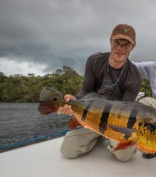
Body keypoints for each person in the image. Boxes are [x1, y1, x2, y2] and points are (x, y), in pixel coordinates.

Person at [58, 24, 141, 162]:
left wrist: (115, 131)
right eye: (117, 43)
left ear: (132, 47)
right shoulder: (94, 61)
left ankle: (108, 139)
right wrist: (75, 99)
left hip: (117, 122)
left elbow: (126, 109)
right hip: (91, 117)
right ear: (110, 41)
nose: (120, 49)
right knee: (68, 150)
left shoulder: (134, 77)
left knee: (124, 156)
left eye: (126, 45)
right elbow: (86, 90)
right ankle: (99, 138)